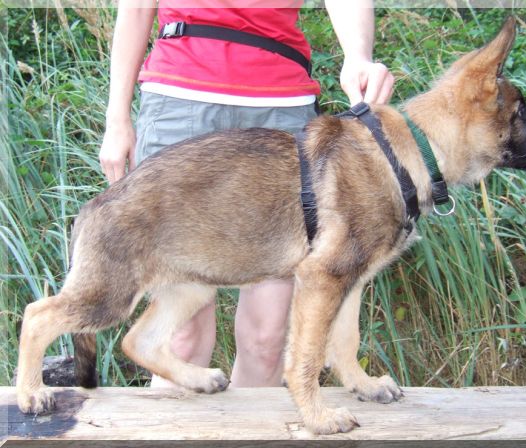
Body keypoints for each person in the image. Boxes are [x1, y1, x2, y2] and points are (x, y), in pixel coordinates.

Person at [98, 0, 394, 388]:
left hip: (282, 106)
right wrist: (117, 118)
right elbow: (137, 7)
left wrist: (358, 56)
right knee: (182, 337)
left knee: (267, 339)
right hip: (180, 98)